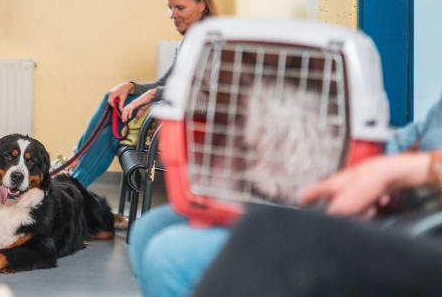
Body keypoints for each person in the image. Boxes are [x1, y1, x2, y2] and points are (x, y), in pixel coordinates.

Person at [130, 87, 442, 297]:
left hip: (426, 232)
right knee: (152, 226)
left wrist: (408, 172)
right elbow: (407, 140)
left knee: (175, 254)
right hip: (401, 207)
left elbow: (408, 162)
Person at [191, 150, 442, 297]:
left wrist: (404, 171)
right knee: (161, 224)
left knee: (272, 233)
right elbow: (414, 139)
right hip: (415, 208)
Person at [67, 0, 218, 188]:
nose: (172, 15)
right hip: (171, 109)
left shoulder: (213, 41)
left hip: (190, 119)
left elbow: (201, 92)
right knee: (115, 97)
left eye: (180, 8)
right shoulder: (189, 42)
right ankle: (75, 175)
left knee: (113, 131)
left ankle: (74, 176)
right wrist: (131, 86)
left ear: (202, 4)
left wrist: (151, 95)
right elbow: (165, 82)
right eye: (170, 8)